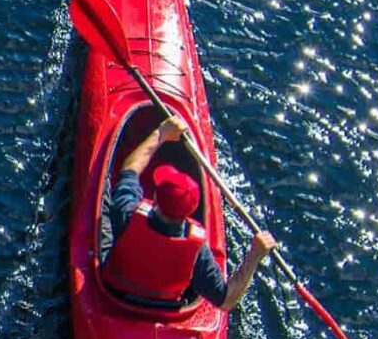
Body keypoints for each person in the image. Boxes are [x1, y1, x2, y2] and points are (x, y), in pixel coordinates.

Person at [103, 117, 275, 311]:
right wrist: (255, 255)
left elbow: (130, 169)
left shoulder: (128, 212)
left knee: (108, 202)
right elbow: (226, 300)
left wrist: (161, 132)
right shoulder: (197, 251)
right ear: (191, 212)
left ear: (155, 199)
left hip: (116, 294)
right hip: (165, 307)